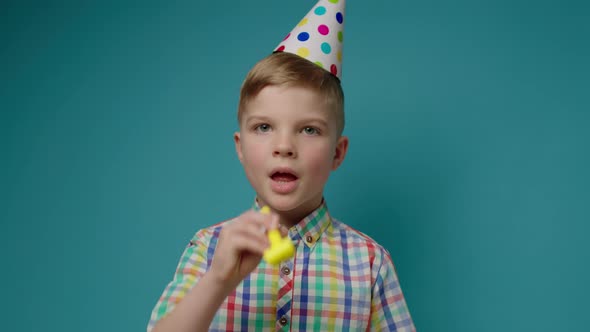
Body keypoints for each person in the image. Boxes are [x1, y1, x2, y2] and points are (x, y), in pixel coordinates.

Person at [147, 1, 415, 331]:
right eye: (263, 127)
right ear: (240, 147)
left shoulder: (370, 263)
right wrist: (218, 279)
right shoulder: (207, 249)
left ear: (337, 153)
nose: (284, 147)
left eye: (309, 130)